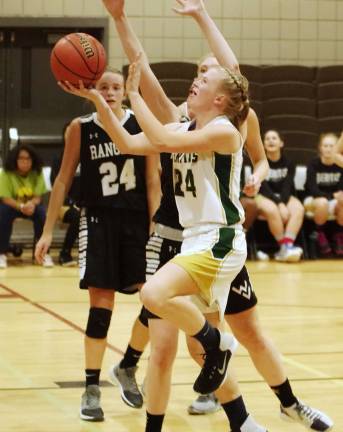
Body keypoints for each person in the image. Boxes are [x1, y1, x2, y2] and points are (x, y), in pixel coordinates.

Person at [101, 2, 333, 432]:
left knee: (225, 329)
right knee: (191, 349)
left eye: (206, 75)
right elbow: (141, 76)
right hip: (185, 238)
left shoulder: (228, 125)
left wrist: (202, 15)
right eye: (198, 73)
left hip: (218, 239)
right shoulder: (180, 123)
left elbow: (230, 73)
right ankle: (241, 419)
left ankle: (283, 399)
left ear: (222, 95)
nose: (197, 78)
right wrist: (118, 23)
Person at [35, 67, 161, 421]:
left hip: (137, 223)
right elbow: (61, 181)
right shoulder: (81, 127)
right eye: (102, 86)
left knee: (155, 301)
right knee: (101, 309)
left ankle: (128, 365)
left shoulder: (141, 123)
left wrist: (155, 222)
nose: (109, 91)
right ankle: (91, 388)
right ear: (93, 89)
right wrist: (47, 231)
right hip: (98, 221)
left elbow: (153, 179)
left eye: (115, 86)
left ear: (124, 91)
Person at [255, 130, 305, 262]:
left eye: (274, 138)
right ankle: (284, 248)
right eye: (267, 139)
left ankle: (287, 246)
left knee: (298, 209)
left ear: (281, 143)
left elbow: (287, 187)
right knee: (272, 209)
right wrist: (280, 204)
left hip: (284, 195)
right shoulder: (259, 162)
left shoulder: (289, 163)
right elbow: (264, 188)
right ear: (263, 144)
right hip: (263, 196)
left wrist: (283, 202)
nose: (271, 141)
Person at [0, 143, 53, 269]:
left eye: (28, 159)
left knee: (42, 214)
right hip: (12, 206)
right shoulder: (6, 173)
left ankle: (43, 254)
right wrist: (21, 206)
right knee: (2, 213)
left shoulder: (37, 172)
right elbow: (5, 198)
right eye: (21, 158)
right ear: (15, 159)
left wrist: (31, 204)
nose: (25, 162)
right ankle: (1, 253)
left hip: (31, 207)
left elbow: (38, 197)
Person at [304, 133, 343, 256]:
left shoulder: (340, 165)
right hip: (313, 199)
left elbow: (341, 189)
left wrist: (337, 196)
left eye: (331, 146)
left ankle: (338, 234)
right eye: (325, 145)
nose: (328, 148)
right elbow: (312, 188)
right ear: (320, 148)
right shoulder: (313, 164)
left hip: (334, 200)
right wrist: (331, 196)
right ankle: (320, 233)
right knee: (323, 202)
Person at [50, 124, 81, 266]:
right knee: (77, 216)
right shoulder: (58, 159)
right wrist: (71, 203)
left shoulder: (85, 156)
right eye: (67, 133)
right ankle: (65, 253)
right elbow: (57, 184)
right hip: (64, 205)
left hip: (84, 202)